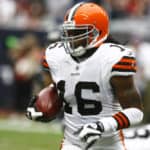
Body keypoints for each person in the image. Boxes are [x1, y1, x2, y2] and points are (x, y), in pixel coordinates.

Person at [26, 2, 144, 150]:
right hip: (72, 143)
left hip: (109, 144)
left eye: (77, 33)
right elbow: (58, 91)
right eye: (69, 32)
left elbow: (136, 112)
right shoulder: (55, 55)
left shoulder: (113, 57)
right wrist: (42, 107)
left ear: (97, 33)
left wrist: (102, 126)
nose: (71, 39)